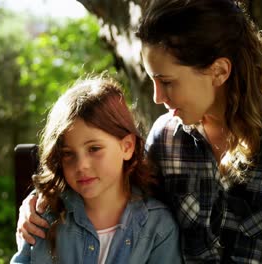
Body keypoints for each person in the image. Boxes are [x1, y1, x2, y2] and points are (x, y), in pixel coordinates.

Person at [16, 0, 262, 263]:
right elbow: (110, 192)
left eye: (167, 82)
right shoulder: (167, 139)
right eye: (152, 80)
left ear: (219, 71)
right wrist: (37, 203)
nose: (156, 97)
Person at [11, 76, 182, 264]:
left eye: (94, 149)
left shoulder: (158, 226)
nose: (81, 165)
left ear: (127, 147)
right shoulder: (43, 217)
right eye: (68, 154)